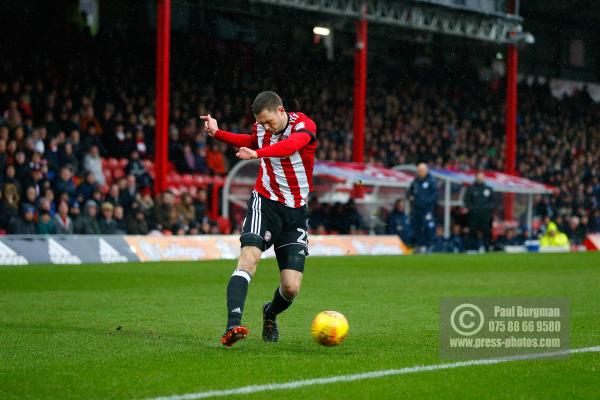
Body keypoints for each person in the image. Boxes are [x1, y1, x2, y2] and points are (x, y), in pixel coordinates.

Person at [201, 91, 317, 347]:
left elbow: (291, 146)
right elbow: (251, 139)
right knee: (249, 259)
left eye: (268, 121)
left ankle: (270, 313)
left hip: (296, 212)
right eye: (261, 123)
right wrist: (217, 133)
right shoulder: (262, 130)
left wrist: (258, 154)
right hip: (264, 204)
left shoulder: (304, 126)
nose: (265, 127)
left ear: (281, 111)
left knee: (290, 288)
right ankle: (233, 325)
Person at [407, 163, 438, 252]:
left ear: (426, 170)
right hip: (417, 209)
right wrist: (411, 199)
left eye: (422, 170)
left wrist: (426, 202)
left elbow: (434, 195)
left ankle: (430, 245)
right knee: (416, 227)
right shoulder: (415, 181)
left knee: (428, 226)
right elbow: (409, 193)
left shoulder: (431, 181)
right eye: (419, 170)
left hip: (427, 209)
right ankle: (418, 245)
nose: (420, 172)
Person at [463, 172, 495, 251]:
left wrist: (486, 209)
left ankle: (487, 248)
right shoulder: (470, 189)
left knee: (487, 232)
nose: (480, 179)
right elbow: (466, 201)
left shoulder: (488, 189)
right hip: (474, 216)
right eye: (479, 178)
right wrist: (474, 209)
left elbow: (493, 202)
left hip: (485, 216)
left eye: (482, 178)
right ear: (476, 178)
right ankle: (472, 248)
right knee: (472, 232)